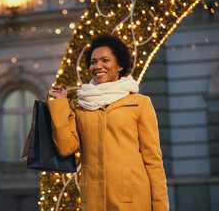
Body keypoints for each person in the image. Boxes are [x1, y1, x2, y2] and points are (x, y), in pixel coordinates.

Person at [47, 34, 169, 211]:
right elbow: (65, 147)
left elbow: (153, 162)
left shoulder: (140, 103)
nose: (98, 66)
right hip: (94, 201)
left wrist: (160, 207)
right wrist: (59, 103)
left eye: (105, 60)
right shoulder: (79, 105)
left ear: (119, 65)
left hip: (134, 200)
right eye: (93, 62)